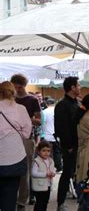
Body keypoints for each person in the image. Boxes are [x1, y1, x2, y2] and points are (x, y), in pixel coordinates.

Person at [10, 74, 42, 208]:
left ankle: (23, 199)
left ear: (24, 85)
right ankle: (12, 197)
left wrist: (26, 119)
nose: (17, 89)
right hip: (10, 138)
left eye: (20, 87)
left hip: (27, 138)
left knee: (26, 170)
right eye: (15, 86)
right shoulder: (9, 100)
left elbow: (39, 121)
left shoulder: (32, 100)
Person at [0, 81, 32, 211]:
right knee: (11, 194)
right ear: (14, 93)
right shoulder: (21, 109)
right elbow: (26, 133)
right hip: (16, 156)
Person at [54, 76, 81, 211]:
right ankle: (61, 202)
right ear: (72, 87)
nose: (80, 88)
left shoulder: (75, 103)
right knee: (67, 173)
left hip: (78, 144)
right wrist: (69, 146)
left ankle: (82, 199)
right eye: (78, 85)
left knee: (78, 172)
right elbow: (61, 128)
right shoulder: (62, 105)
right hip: (70, 146)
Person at [31, 141, 56, 211]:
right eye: (44, 150)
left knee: (45, 202)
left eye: (48, 151)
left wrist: (53, 172)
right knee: (39, 203)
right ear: (38, 151)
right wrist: (45, 174)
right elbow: (33, 173)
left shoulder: (51, 161)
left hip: (47, 185)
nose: (46, 153)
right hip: (39, 186)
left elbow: (53, 169)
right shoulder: (37, 161)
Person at [42, 98, 62, 172]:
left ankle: (50, 167)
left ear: (47, 104)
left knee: (48, 152)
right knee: (57, 152)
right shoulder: (58, 111)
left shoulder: (44, 112)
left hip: (47, 135)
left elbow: (42, 124)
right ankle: (59, 167)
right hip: (57, 135)